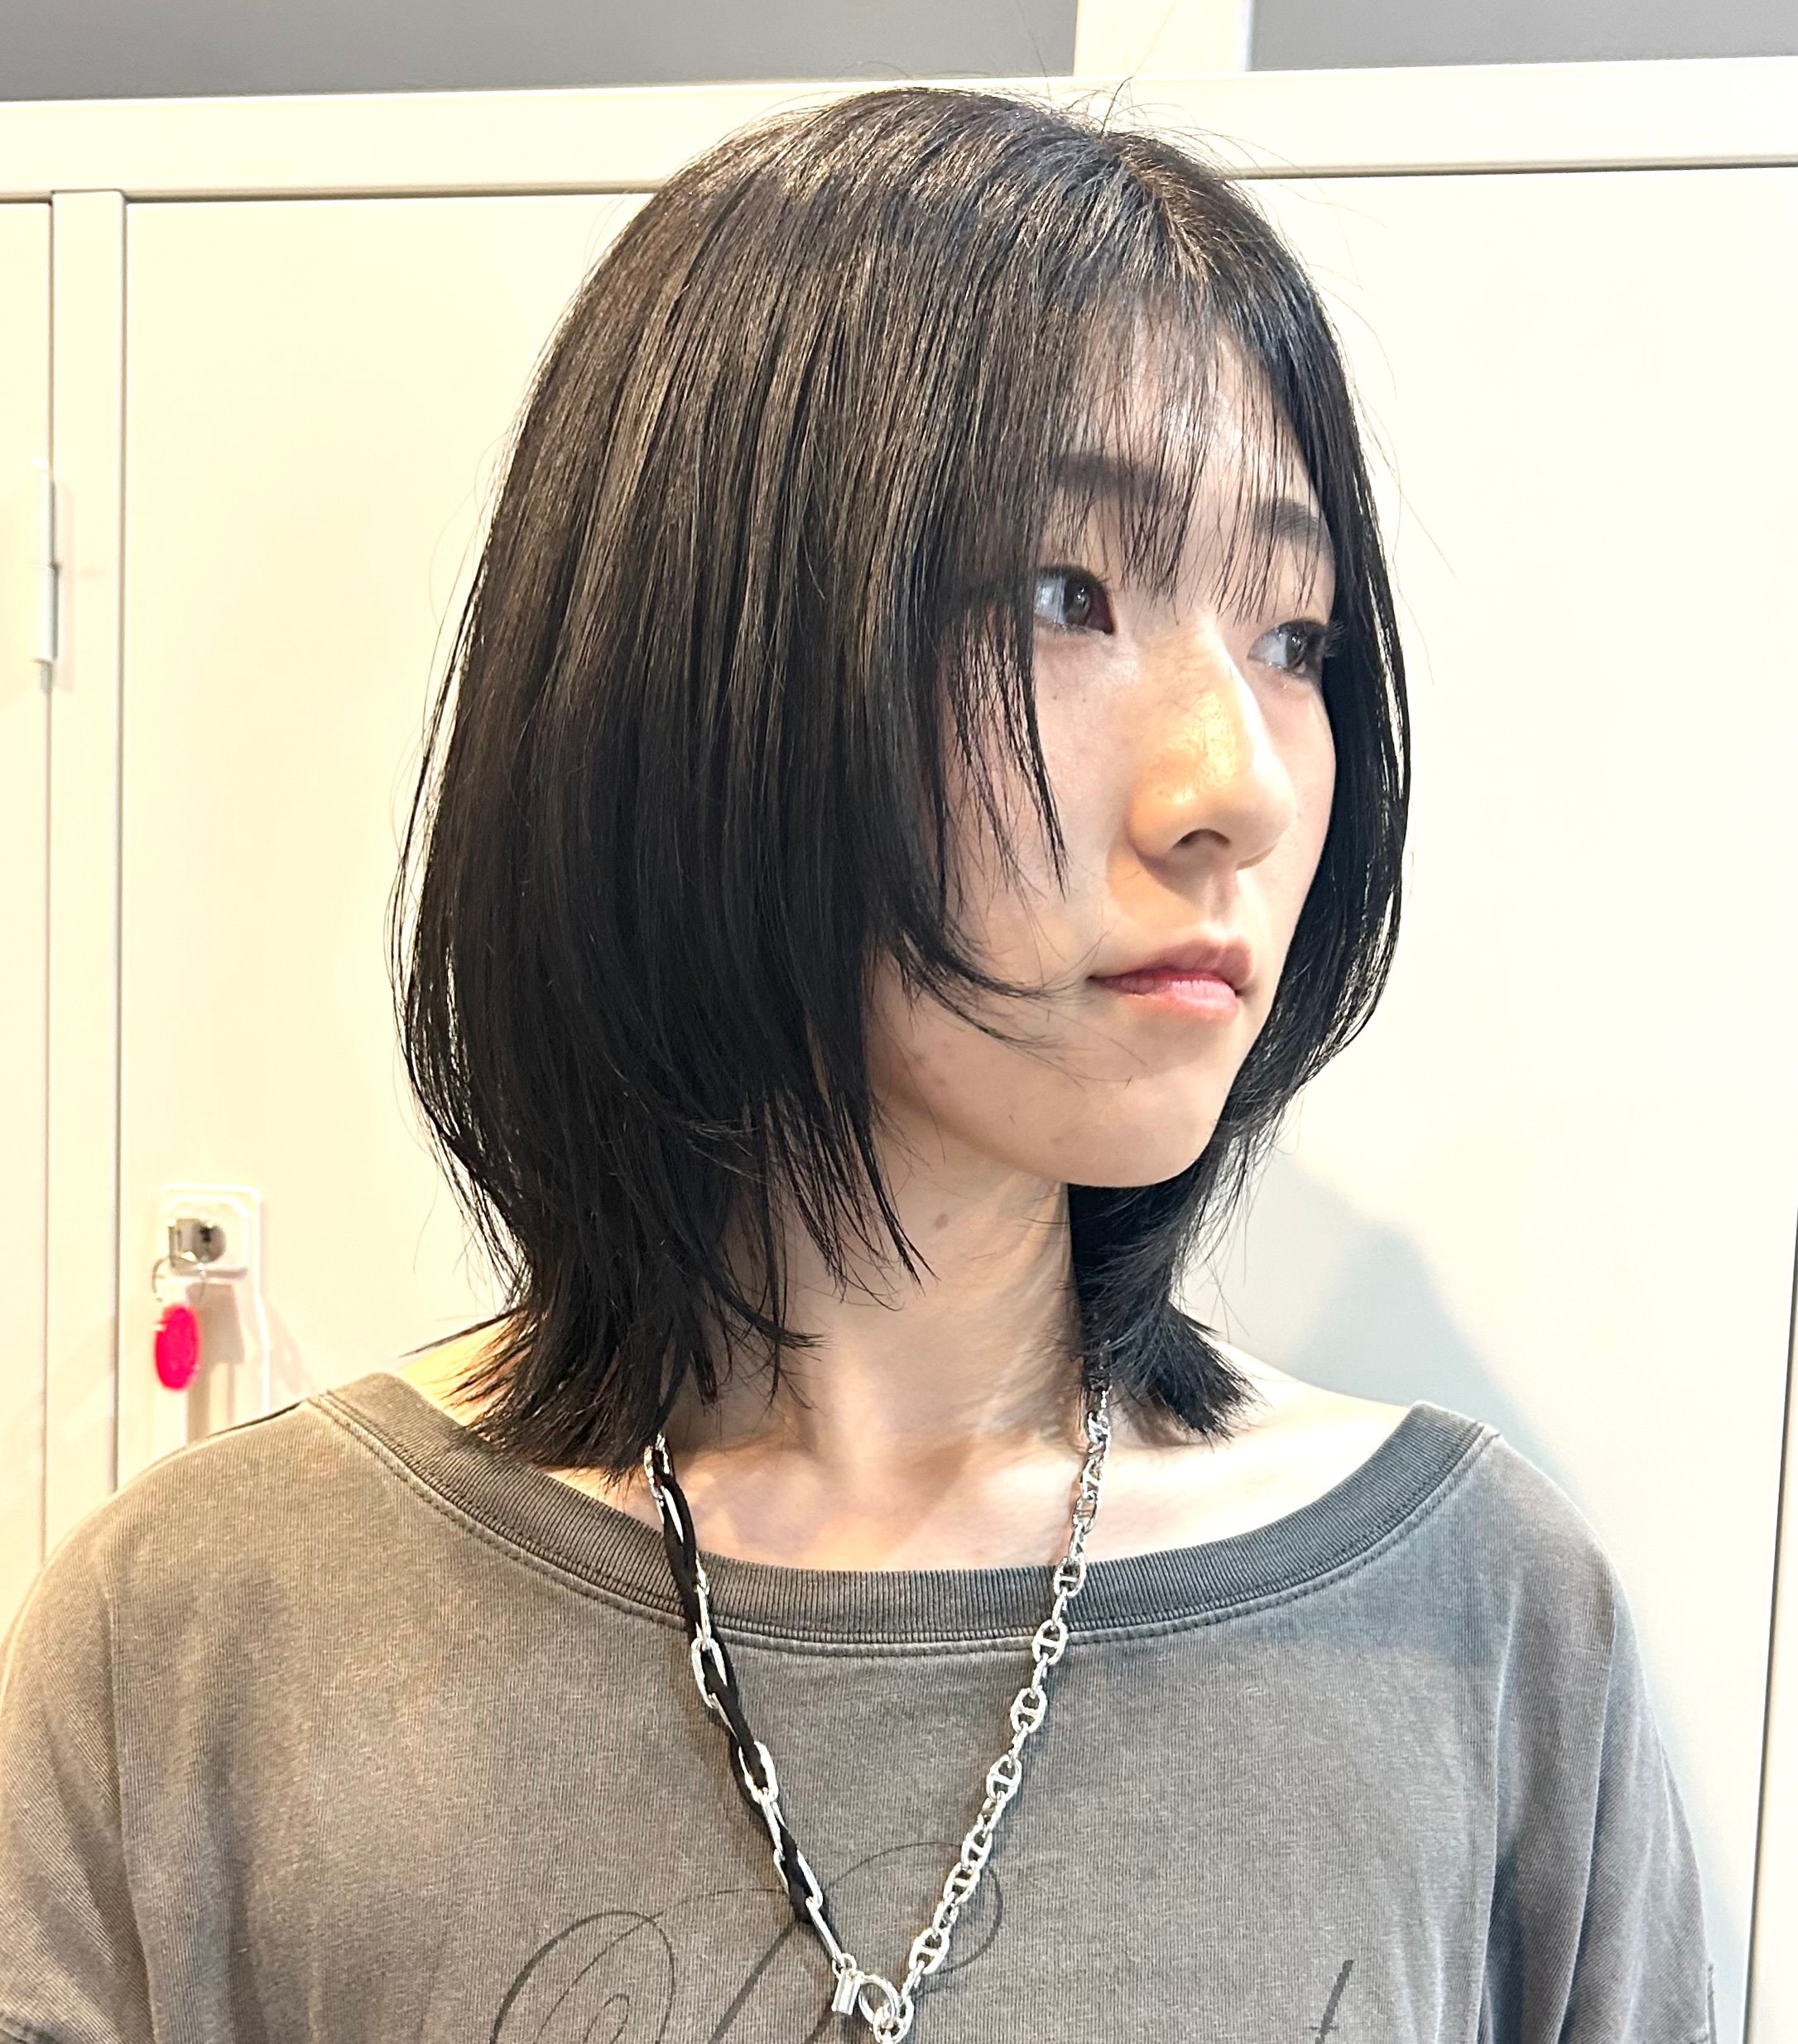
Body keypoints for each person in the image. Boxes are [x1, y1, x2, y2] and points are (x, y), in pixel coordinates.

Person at [0, 84, 1713, 2044]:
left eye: (1299, 634)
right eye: (1069, 596)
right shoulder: (206, 1645)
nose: (1237, 783)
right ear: (704, 653)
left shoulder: (1485, 1628)